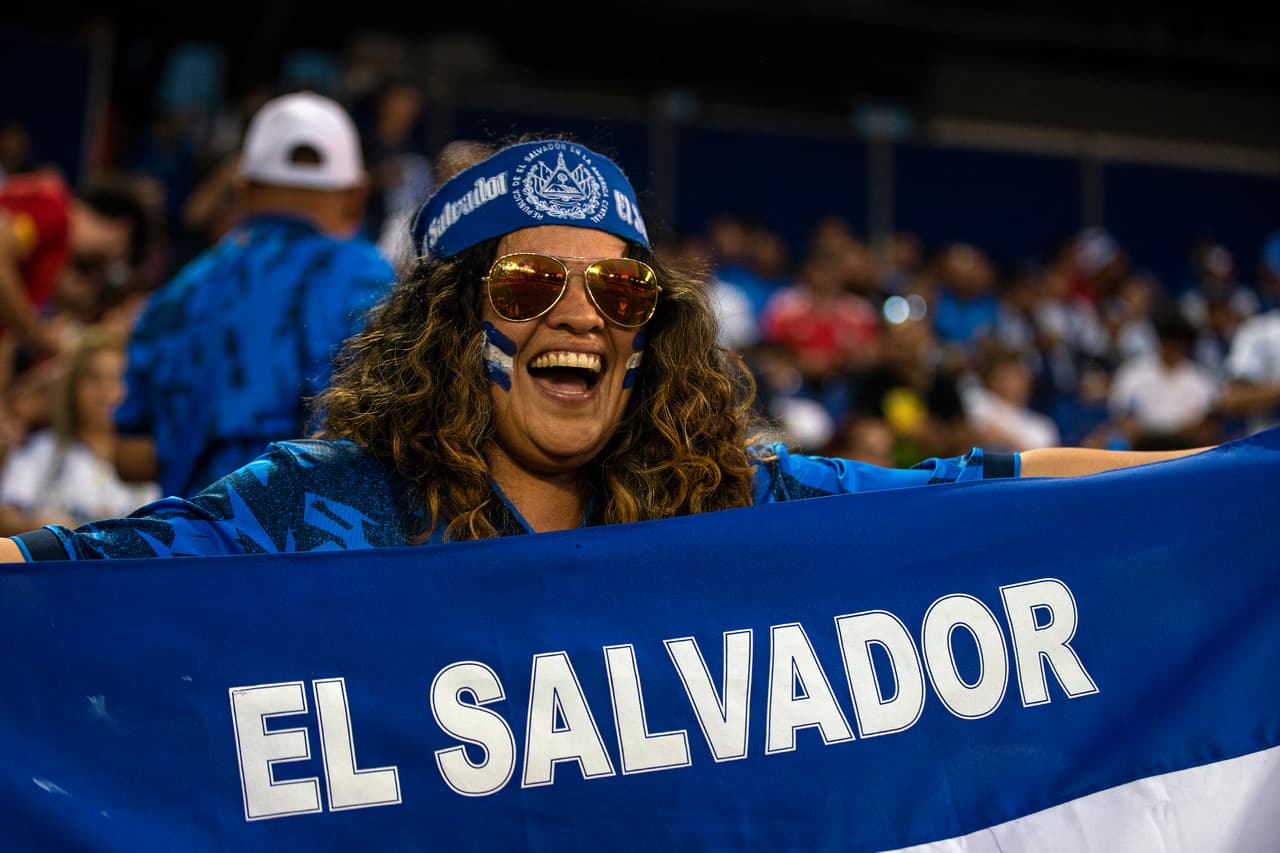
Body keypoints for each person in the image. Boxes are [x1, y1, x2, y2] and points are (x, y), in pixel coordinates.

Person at [0, 134, 1214, 562]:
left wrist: (1233, 480)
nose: (579, 316)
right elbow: (78, 577)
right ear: (450, 322)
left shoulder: (725, 494)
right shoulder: (308, 510)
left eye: (620, 292)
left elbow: (980, 492)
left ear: (649, 331)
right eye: (529, 285)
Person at [109, 90, 397, 501]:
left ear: (242, 189)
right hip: (312, 548)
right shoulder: (364, 274)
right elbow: (381, 435)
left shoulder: (176, 294)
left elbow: (127, 454)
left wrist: (210, 434)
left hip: (193, 548)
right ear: (357, 195)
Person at [0, 325, 160, 534]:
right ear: (73, 388)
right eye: (94, 378)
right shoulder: (43, 450)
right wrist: (39, 527)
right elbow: (5, 517)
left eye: (117, 378)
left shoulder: (147, 454)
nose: (106, 391)